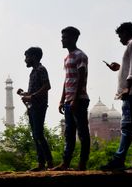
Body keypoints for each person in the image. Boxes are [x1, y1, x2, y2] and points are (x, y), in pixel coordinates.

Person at [100, 22, 132, 173]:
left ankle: (125, 160)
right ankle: (131, 160)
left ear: (127, 32)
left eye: (120, 35)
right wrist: (120, 68)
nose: (119, 38)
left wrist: (127, 88)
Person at [51, 26, 90, 171]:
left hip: (79, 99)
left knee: (82, 133)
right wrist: (62, 100)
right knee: (69, 133)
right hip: (69, 100)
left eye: (65, 37)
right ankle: (65, 163)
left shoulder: (81, 55)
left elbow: (81, 78)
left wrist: (74, 99)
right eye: (62, 37)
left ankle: (82, 164)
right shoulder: (67, 57)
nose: (62, 39)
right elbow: (67, 80)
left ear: (74, 38)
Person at [17, 47, 54, 171]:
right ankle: (41, 163)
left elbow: (47, 86)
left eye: (27, 57)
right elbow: (34, 91)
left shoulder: (41, 69)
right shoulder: (33, 72)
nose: (25, 60)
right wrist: (24, 93)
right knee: (35, 135)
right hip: (33, 106)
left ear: (33, 56)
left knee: (38, 134)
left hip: (39, 106)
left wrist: (31, 97)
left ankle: (49, 163)